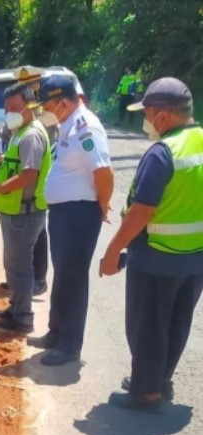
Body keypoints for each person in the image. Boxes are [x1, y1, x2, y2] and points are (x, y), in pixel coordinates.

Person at [99, 77, 203, 412]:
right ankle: (160, 380)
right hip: (194, 258)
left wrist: (113, 250)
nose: (145, 120)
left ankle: (146, 393)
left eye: (147, 112)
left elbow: (142, 211)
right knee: (176, 323)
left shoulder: (163, 153)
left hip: (157, 257)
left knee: (147, 326)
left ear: (162, 116)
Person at [32, 76, 114, 366]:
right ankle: (56, 332)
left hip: (80, 213)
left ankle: (70, 345)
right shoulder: (67, 123)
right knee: (63, 275)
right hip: (65, 213)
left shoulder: (85, 126)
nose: (45, 111)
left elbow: (103, 171)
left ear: (64, 102)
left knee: (74, 279)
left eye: (48, 105)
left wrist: (102, 205)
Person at [0, 83, 51, 333]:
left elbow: (28, 177)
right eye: (7, 109)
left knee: (21, 268)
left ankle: (23, 317)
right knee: (14, 266)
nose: (9, 113)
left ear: (29, 105)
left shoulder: (32, 135)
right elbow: (11, 170)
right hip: (15, 209)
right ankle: (15, 309)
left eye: (14, 108)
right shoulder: (19, 131)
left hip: (25, 212)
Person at [0, 66, 53, 296]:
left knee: (37, 238)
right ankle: (20, 284)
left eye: (32, 83)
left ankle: (36, 281)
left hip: (37, 187)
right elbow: (2, 138)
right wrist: (1, 156)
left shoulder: (44, 117)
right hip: (16, 186)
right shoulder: (15, 119)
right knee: (18, 251)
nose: (30, 86)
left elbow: (51, 148)